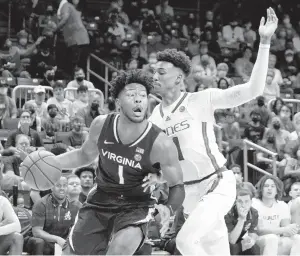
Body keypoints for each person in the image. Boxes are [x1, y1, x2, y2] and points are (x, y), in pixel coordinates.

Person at [149, 7, 278, 255]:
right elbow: (158, 164)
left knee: (186, 242)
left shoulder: (202, 99)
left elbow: (253, 89)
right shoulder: (154, 117)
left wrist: (264, 43)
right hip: (189, 196)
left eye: (161, 71)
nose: (154, 75)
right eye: (154, 71)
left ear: (178, 78)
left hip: (216, 183)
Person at [56, 69, 184, 255]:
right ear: (118, 103)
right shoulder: (101, 125)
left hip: (136, 205)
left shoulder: (160, 143)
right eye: (131, 95)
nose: (138, 99)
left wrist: (168, 208)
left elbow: (178, 186)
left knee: (120, 250)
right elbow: (84, 155)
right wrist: (52, 161)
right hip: (101, 198)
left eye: (143, 95)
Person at [224, 189, 260, 255]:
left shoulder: (254, 212)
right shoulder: (228, 214)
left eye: (246, 201)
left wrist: (251, 240)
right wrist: (241, 219)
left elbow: (253, 232)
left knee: (254, 248)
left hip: (243, 239)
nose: (243, 205)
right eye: (240, 201)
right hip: (229, 243)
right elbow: (232, 240)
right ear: (236, 202)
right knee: (233, 248)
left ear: (251, 202)